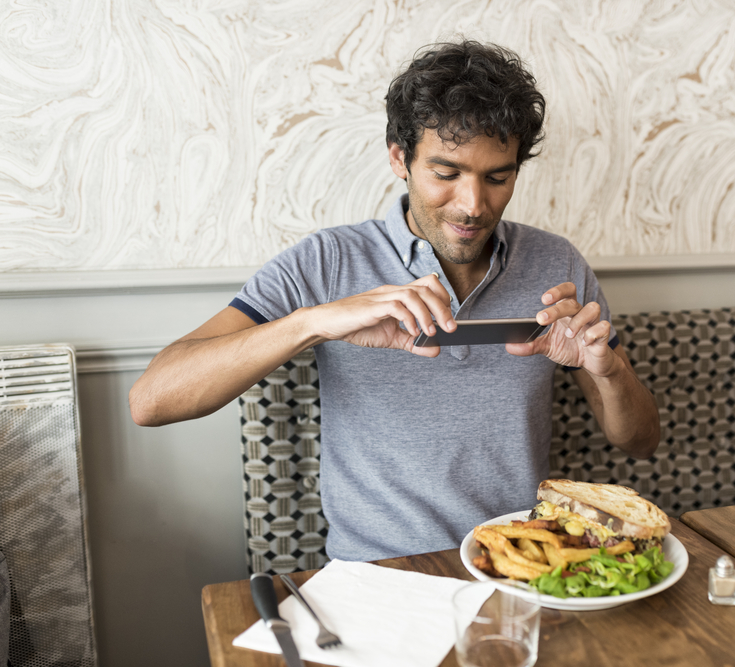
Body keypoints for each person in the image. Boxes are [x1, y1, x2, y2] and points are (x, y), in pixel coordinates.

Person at [129, 40, 660, 561]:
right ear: (399, 158)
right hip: (378, 574)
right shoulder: (327, 261)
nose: (473, 205)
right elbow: (152, 401)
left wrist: (609, 371)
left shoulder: (557, 262)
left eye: (498, 177)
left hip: (516, 565)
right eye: (446, 173)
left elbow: (640, 442)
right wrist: (314, 323)